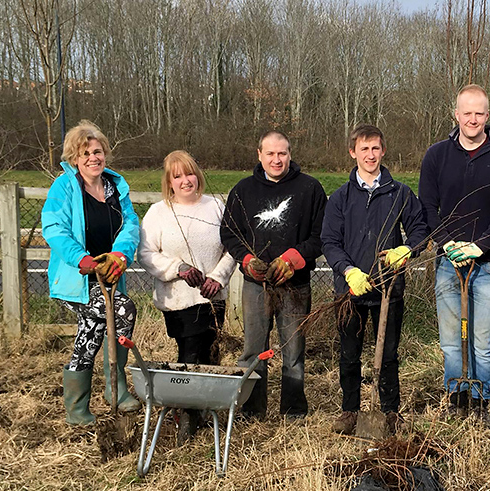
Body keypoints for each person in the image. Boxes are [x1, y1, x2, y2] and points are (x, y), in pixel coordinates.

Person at [418, 84, 490, 425]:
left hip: (488, 263)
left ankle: (481, 402)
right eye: (467, 113)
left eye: (479, 113)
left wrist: (482, 245)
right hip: (448, 263)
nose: (473, 119)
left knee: (482, 342)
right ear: (456, 115)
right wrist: (447, 243)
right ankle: (456, 398)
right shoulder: (437, 155)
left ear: (488, 116)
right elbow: (427, 207)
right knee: (451, 342)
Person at [321, 124, 429, 435]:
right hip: (350, 292)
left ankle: (390, 411)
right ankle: (350, 410)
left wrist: (406, 250)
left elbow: (420, 231)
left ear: (383, 151)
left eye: (376, 148)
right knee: (349, 354)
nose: (371, 155)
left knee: (390, 354)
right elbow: (329, 241)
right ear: (352, 152)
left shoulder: (400, 194)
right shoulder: (341, 198)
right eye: (364, 149)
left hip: (388, 289)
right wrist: (348, 270)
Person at [220, 131, 326, 420]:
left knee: (293, 351)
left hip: (295, 284)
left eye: (282, 153)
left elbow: (321, 236)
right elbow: (229, 232)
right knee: (253, 350)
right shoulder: (243, 191)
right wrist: (246, 259)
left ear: (290, 154)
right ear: (259, 155)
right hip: (256, 284)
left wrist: (294, 258)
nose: (277, 159)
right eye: (270, 154)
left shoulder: (310, 189)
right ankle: (252, 409)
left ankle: (293, 410)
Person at [41, 120, 141, 425]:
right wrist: (82, 259)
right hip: (77, 278)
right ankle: (114, 388)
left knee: (92, 330)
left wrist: (120, 254)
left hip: (108, 275)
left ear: (105, 154)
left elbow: (131, 225)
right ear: (74, 158)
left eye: (97, 151)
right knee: (123, 310)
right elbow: (53, 227)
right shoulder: (65, 187)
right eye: (84, 153)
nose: (92, 158)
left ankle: (80, 407)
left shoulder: (115, 187)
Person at [137, 150, 237, 441]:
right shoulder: (158, 213)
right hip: (178, 299)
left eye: (189, 173)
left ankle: (202, 408)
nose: (185, 181)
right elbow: (146, 254)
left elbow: (232, 248)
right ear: (169, 182)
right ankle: (187, 416)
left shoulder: (216, 207)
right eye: (177, 176)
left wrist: (218, 277)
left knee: (208, 353)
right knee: (189, 355)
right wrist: (177, 268)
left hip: (212, 297)